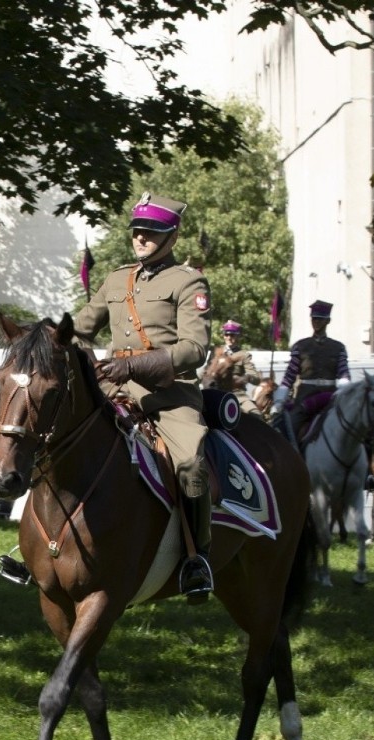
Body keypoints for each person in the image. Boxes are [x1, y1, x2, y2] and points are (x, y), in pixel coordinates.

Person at [75, 191, 214, 601]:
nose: (141, 238)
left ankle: (196, 558)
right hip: (111, 387)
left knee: (190, 460)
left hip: (169, 395)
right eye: (138, 231)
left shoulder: (188, 282)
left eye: (151, 232)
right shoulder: (116, 279)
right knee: (57, 434)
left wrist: (134, 366)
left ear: (171, 236)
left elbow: (195, 349)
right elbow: (82, 329)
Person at [271, 299, 350, 440]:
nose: (316, 322)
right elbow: (289, 376)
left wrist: (345, 395)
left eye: (320, 319)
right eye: (314, 318)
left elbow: (344, 375)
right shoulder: (300, 346)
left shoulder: (339, 347)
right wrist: (279, 402)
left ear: (328, 321)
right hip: (305, 397)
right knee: (289, 429)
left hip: (330, 397)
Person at [203, 319, 263, 415]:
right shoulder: (215, 352)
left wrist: (245, 378)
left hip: (237, 395)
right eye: (226, 335)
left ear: (238, 336)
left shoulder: (244, 355)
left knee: (256, 415)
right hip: (215, 392)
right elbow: (206, 372)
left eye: (232, 335)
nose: (229, 338)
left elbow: (256, 379)